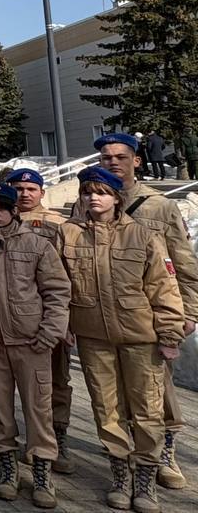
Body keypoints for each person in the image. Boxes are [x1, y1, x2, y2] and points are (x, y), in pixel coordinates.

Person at [59, 166, 185, 513]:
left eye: (101, 192)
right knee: (106, 409)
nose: (93, 198)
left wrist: (170, 333)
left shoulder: (143, 236)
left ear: (117, 198)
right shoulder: (68, 234)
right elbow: (58, 286)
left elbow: (164, 287)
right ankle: (120, 474)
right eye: (87, 192)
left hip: (140, 337)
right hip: (93, 337)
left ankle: (145, 477)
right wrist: (63, 323)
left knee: (147, 409)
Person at [93, 132, 198, 489]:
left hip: (152, 314)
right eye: (106, 157)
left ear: (136, 160)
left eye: (120, 156)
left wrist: (190, 312)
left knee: (158, 391)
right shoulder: (90, 202)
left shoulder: (159, 207)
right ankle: (125, 460)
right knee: (114, 396)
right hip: (107, 313)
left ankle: (163, 453)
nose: (113, 162)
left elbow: (183, 263)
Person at [0, 182, 69, 509]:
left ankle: (41, 469)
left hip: (31, 341)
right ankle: (8, 468)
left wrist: (50, 332)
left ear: (14, 210)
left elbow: (57, 292)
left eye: (2, 207)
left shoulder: (36, 245)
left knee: (38, 408)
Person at [10, 167, 76, 473]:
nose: (24, 194)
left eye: (30, 189)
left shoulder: (58, 224)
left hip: (50, 315)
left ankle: (56, 437)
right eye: (19, 188)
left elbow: (69, 275)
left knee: (56, 381)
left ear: (41, 192)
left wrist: (66, 322)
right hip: (11, 316)